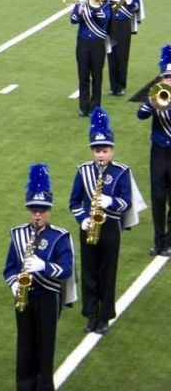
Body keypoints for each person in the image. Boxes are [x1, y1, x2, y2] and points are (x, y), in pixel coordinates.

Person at [69, 107, 143, 335]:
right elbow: (74, 202)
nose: (101, 155)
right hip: (89, 225)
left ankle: (104, 317)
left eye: (105, 150)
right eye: (97, 151)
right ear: (92, 152)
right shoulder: (83, 171)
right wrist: (82, 220)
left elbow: (126, 203)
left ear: (112, 150)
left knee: (107, 273)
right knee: (89, 271)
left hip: (110, 226)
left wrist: (110, 201)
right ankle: (90, 315)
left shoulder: (121, 172)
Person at [3, 164, 75, 391]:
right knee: (25, 344)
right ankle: (24, 386)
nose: (37, 214)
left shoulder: (59, 237)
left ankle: (44, 387)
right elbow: (9, 268)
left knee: (45, 346)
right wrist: (14, 284)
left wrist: (44, 266)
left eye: (42, 210)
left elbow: (66, 269)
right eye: (34, 209)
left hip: (47, 298)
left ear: (49, 211)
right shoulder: (18, 234)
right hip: (24, 298)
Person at [137, 45, 171, 256]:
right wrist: (152, 102)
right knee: (158, 198)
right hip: (158, 152)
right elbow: (140, 115)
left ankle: (169, 241)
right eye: (165, 78)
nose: (168, 81)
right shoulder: (156, 96)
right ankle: (158, 242)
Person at [70, 0, 111, 117]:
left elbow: (103, 19)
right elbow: (73, 20)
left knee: (97, 76)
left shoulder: (105, 3)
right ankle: (83, 106)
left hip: (97, 44)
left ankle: (95, 106)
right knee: (83, 75)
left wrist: (93, 6)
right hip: (82, 43)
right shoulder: (81, 3)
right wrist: (79, 11)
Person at [105, 0, 143, 97]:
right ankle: (113, 86)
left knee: (122, 55)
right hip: (109, 24)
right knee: (111, 55)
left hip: (123, 23)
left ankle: (121, 85)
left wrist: (129, 1)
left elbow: (136, 8)